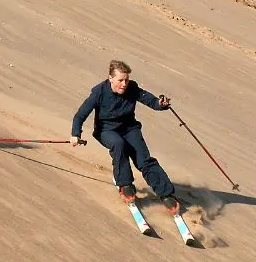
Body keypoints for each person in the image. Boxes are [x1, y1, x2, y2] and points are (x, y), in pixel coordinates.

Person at [71, 60, 180, 214]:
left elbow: (150, 101)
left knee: (144, 160)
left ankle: (166, 193)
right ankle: (125, 185)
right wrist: (76, 134)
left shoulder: (132, 88)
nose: (124, 84)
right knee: (118, 144)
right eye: (120, 80)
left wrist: (160, 104)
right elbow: (80, 115)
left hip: (129, 129)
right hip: (106, 130)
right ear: (110, 78)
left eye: (126, 80)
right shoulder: (99, 92)